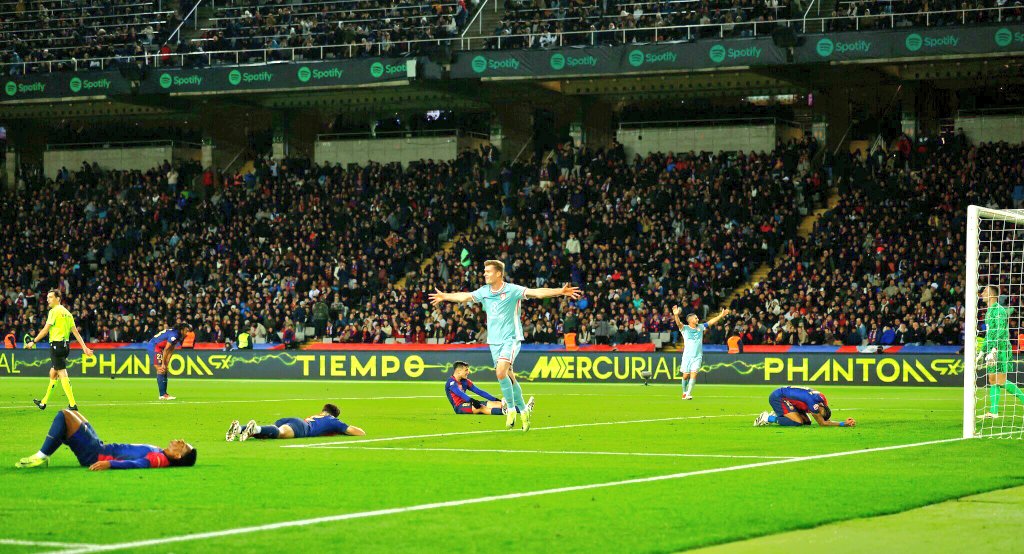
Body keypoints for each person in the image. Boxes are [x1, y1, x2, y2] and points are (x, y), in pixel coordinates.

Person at [430, 259, 582, 431]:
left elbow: (537, 293)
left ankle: (510, 409)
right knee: (508, 376)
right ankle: (523, 410)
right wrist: (444, 296)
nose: (484, 274)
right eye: (484, 271)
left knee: (500, 371)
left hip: (511, 338)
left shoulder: (512, 290)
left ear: (498, 273)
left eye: (488, 271)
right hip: (494, 341)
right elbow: (464, 296)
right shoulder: (484, 291)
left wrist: (560, 291)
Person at [15, 409, 197, 470]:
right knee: (74, 413)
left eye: (182, 446)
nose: (180, 441)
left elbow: (137, 464)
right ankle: (45, 456)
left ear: (178, 457)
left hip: (96, 455)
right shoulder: (161, 453)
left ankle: (41, 455)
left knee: (65, 415)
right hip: (100, 448)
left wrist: (111, 465)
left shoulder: (160, 459)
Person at [28, 290, 94, 411]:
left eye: (51, 297)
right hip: (65, 346)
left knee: (62, 372)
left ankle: (73, 404)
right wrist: (84, 347)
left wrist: (34, 341)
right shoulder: (68, 313)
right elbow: (76, 333)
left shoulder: (54, 311)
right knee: (53, 373)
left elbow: (45, 330)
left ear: (58, 298)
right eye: (47, 297)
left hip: (56, 345)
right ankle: (43, 402)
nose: (48, 299)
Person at [977, 285, 1024, 419]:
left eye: (985, 291)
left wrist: (994, 350)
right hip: (992, 349)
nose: (982, 293)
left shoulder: (999, 310)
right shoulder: (989, 312)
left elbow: (1001, 331)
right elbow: (989, 334)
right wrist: (982, 352)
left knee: (1001, 380)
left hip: (1001, 348)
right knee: (993, 379)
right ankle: (993, 411)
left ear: (992, 295)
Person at [672, 305, 729, 400]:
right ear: (690, 320)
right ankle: (684, 392)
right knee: (685, 376)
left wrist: (720, 315)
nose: (697, 319)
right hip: (687, 356)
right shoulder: (685, 328)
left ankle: (688, 394)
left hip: (697, 356)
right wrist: (676, 315)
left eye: (697, 317)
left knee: (694, 374)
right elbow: (678, 323)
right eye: (695, 318)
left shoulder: (700, 327)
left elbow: (710, 322)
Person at [226, 403, 365, 441]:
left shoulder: (317, 415)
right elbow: (356, 432)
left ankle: (239, 429)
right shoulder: (333, 420)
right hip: (303, 427)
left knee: (270, 433)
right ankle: (254, 429)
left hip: (292, 419)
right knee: (279, 433)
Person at [446, 360, 532, 415]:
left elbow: (480, 392)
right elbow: (460, 394)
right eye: (466, 370)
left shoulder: (465, 381)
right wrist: (472, 401)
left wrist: (495, 399)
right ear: (458, 371)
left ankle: (524, 408)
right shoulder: (451, 383)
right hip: (459, 407)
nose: (468, 372)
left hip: (468, 403)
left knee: (498, 404)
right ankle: (503, 412)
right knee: (481, 407)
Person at [753, 386, 856, 427]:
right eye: (818, 413)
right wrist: (843, 424)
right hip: (779, 397)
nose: (816, 412)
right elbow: (822, 423)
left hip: (790, 399)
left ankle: (782, 414)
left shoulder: (822, 399)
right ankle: (767, 418)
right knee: (797, 422)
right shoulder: (814, 404)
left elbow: (823, 418)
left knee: (807, 422)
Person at [147, 324, 191, 400]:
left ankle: (164, 394)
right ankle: (162, 395)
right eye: (186, 331)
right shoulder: (174, 335)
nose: (187, 333)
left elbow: (171, 350)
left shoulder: (178, 335)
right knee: (161, 369)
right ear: (182, 329)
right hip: (155, 346)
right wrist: (163, 364)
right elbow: (166, 350)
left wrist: (166, 363)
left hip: (159, 347)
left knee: (164, 369)